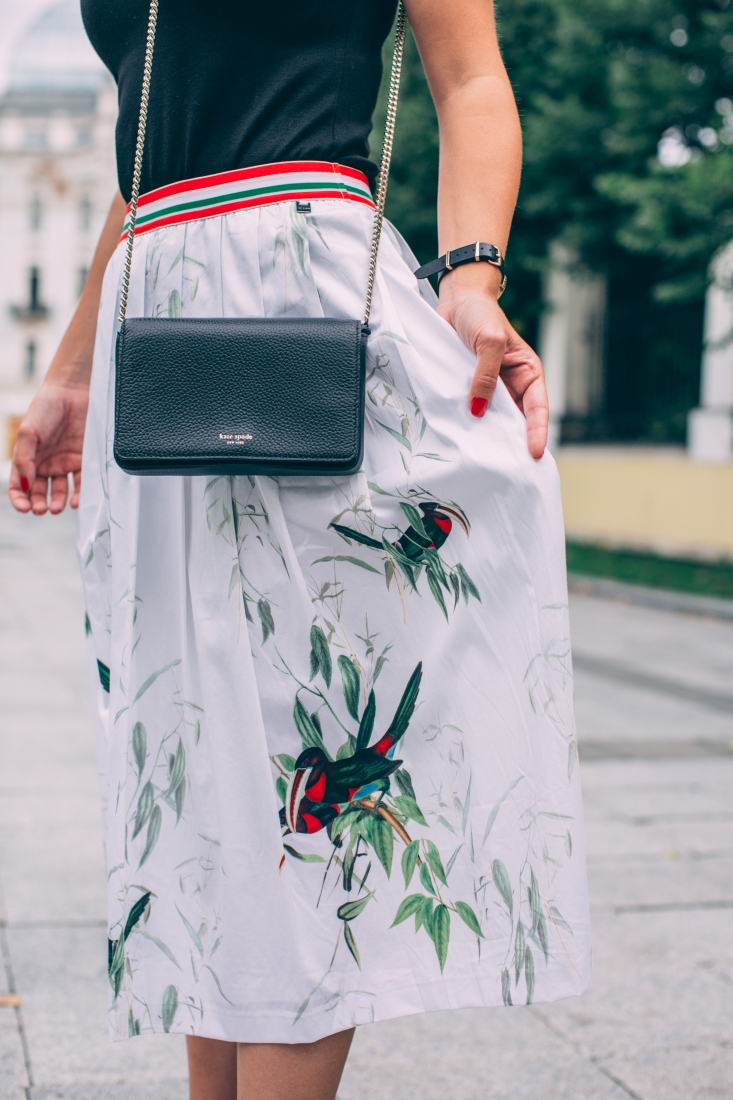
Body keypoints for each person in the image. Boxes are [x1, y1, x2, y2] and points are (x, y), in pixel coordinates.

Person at [8, 1, 591, 1097]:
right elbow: (152, 155)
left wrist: (471, 275)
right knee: (201, 774)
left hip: (306, 290)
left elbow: (468, 77)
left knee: (301, 766)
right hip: (162, 328)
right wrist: (75, 367)